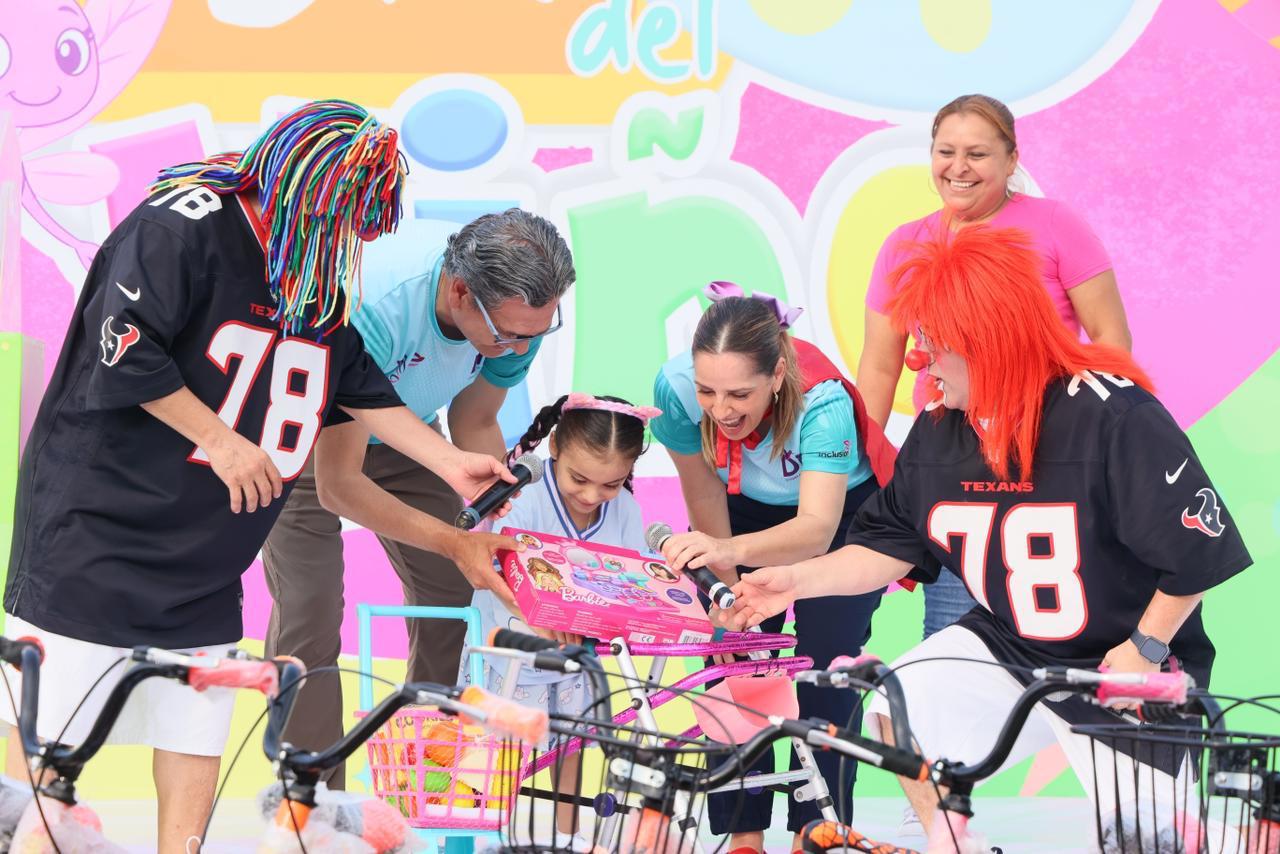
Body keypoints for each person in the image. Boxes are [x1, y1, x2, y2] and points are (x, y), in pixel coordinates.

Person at [0, 100, 519, 853]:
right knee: (50, 758)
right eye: (338, 221)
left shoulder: (318, 273)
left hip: (206, 557)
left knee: (194, 726)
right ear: (295, 189)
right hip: (96, 532)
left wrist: (449, 461)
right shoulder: (181, 226)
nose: (344, 242)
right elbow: (124, 345)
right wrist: (220, 439)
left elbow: (356, 384)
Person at [726, 225, 1251, 844]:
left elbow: (1196, 556)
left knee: (1145, 839)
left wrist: (1145, 648)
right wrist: (792, 581)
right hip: (1012, 645)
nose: (918, 361)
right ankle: (955, 844)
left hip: (1121, 658)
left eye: (934, 344)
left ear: (991, 341)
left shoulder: (1113, 415)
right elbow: (886, 546)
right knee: (902, 701)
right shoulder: (940, 429)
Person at [260, 209, 573, 789]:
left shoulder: (520, 318)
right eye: (508, 335)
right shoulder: (377, 309)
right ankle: (309, 798)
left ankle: (418, 774)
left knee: (454, 591)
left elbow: (475, 418)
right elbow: (340, 483)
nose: (518, 350)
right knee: (310, 606)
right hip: (304, 440)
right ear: (459, 293)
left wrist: (485, 500)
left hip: (409, 436)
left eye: (536, 334)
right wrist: (456, 539)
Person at [855, 93, 1135, 643]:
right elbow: (880, 366)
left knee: (1059, 618)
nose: (958, 168)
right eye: (945, 151)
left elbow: (1111, 341)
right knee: (953, 631)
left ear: (1011, 159)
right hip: (952, 456)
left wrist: (1097, 444)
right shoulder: (904, 245)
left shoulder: (1056, 226)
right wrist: (859, 467)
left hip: (1050, 447)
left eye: (978, 154)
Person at [649, 282, 894, 854]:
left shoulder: (823, 401)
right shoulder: (676, 391)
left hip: (838, 517)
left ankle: (819, 829)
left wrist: (723, 552)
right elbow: (705, 499)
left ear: (778, 376)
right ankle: (743, 833)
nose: (721, 409)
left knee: (827, 670)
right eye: (708, 391)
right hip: (739, 512)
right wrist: (730, 593)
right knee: (735, 662)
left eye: (739, 393)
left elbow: (816, 529)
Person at [473, 391, 658, 851]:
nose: (593, 495)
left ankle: (567, 836)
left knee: (571, 743)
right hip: (512, 648)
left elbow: (633, 579)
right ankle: (488, 833)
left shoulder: (626, 512)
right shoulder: (523, 500)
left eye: (611, 484)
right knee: (501, 745)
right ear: (554, 446)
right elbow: (499, 575)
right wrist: (541, 619)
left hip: (580, 653)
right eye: (580, 478)